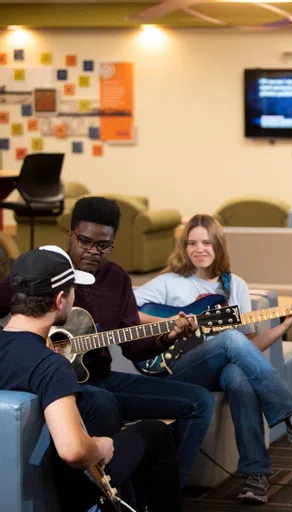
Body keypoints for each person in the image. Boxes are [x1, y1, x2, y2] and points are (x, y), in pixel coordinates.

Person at [0, 197, 214, 488]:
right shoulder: (43, 272)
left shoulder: (117, 279)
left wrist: (169, 337)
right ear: (71, 235)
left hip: (101, 378)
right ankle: (109, 495)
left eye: (103, 245)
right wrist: (38, 346)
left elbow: (134, 348)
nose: (93, 252)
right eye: (85, 241)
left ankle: (166, 491)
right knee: (102, 403)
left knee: (199, 400)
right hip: (62, 382)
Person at [133, 214, 292, 503]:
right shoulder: (169, 282)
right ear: (183, 247)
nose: (199, 249)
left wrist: (285, 325)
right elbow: (127, 311)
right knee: (229, 338)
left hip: (217, 367)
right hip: (175, 368)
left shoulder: (235, 287)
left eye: (207, 242)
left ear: (218, 246)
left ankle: (255, 475)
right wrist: (173, 324)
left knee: (238, 376)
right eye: (192, 243)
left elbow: (247, 347)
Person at [0, 246, 182, 511]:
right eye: (74, 289)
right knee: (155, 433)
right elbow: (73, 451)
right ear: (60, 299)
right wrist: (100, 446)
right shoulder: (50, 366)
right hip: (57, 489)